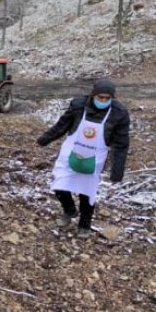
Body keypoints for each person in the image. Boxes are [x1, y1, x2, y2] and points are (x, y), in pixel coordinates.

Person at [36, 78, 130, 238]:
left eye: (107, 98)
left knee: (87, 191)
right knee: (59, 183)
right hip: (71, 151)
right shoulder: (79, 105)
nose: (103, 101)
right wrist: (45, 138)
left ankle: (84, 225)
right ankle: (69, 209)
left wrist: (117, 171)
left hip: (94, 157)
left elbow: (121, 144)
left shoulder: (119, 114)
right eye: (100, 97)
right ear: (93, 95)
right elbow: (63, 124)